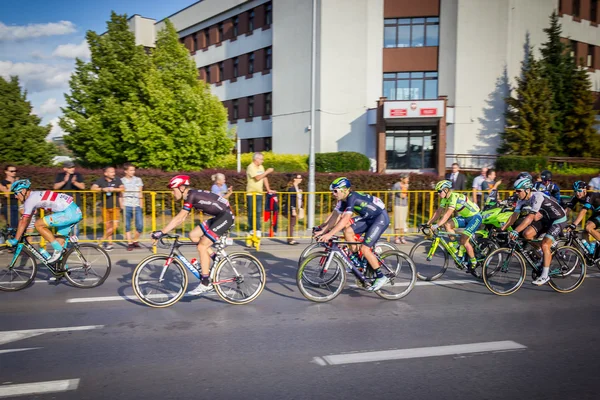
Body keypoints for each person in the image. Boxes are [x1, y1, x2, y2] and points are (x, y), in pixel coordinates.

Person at [151, 175, 235, 296]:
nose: (172, 193)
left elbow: (179, 218)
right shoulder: (190, 196)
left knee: (202, 247)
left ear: (181, 188)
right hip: (219, 217)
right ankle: (215, 257)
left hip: (225, 217)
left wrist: (161, 232)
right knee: (193, 235)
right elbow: (182, 218)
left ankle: (205, 282)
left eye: (173, 190)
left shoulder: (191, 196)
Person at [314, 177, 391, 292]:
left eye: (335, 191)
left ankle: (381, 276)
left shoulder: (352, 198)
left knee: (365, 249)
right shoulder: (342, 201)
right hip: (368, 218)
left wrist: (330, 234)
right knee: (347, 231)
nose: (333, 193)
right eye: (332, 191)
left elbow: (344, 219)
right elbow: (335, 216)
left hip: (379, 218)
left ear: (344, 190)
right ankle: (357, 261)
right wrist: (323, 231)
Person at [502, 177, 567, 286]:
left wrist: (515, 231)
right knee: (527, 234)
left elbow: (530, 218)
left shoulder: (537, 196)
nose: (516, 193)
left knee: (545, 244)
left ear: (527, 190)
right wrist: (503, 228)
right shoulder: (521, 200)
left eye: (518, 191)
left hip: (558, 219)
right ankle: (543, 255)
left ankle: (545, 276)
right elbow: (514, 216)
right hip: (545, 218)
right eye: (515, 191)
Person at [6, 179, 82, 263]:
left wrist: (16, 240)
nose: (15, 196)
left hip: (69, 213)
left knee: (38, 224)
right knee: (59, 243)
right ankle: (61, 272)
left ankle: (58, 250)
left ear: (23, 191)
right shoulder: (33, 196)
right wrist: (19, 232)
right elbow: (26, 219)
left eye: (16, 193)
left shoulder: (30, 200)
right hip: (72, 211)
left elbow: (24, 221)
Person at [427, 180, 482, 272]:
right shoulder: (445, 198)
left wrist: (436, 225)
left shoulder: (454, 197)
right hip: (466, 217)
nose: (438, 193)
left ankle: (474, 261)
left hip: (475, 217)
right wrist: (428, 223)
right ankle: (456, 247)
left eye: (439, 191)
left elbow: (447, 214)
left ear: (445, 190)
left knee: (464, 239)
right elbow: (438, 212)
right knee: (447, 225)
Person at [91, 167, 124, 251]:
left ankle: (101, 240)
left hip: (115, 206)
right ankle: (110, 244)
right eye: (111, 172)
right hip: (104, 206)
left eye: (114, 172)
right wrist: (102, 189)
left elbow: (123, 188)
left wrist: (114, 189)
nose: (113, 173)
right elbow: (92, 188)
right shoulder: (101, 180)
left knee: (115, 226)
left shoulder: (117, 180)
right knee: (107, 226)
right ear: (106, 173)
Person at [564, 181, 600, 256]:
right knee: (584, 232)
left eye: (579, 191)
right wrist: (560, 221)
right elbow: (568, 209)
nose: (577, 193)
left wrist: (574, 224)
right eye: (575, 191)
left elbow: (583, 211)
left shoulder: (590, 195)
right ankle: (591, 251)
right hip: (597, 213)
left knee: (588, 227)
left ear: (585, 190)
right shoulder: (576, 197)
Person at [246, 152, 275, 236]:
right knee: (251, 212)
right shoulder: (250, 167)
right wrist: (267, 171)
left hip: (259, 192)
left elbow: (264, 178)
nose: (262, 161)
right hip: (251, 193)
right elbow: (258, 177)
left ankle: (257, 229)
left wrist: (268, 189)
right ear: (256, 159)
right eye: (261, 159)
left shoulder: (261, 167)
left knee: (258, 212)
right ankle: (251, 228)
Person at [53, 161, 85, 235]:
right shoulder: (60, 175)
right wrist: (64, 181)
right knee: (62, 224)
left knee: (75, 224)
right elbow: (55, 187)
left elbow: (83, 187)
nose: (73, 169)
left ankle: (74, 243)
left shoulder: (77, 175)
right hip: (62, 204)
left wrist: (74, 182)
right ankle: (62, 243)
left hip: (74, 203)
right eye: (70, 167)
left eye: (73, 167)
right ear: (65, 168)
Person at [121, 163, 144, 251]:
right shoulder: (121, 180)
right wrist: (121, 204)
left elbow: (140, 192)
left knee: (140, 225)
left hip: (136, 204)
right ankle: (130, 242)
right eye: (130, 170)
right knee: (127, 225)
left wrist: (141, 204)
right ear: (126, 171)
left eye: (133, 170)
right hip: (126, 204)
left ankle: (135, 240)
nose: (132, 172)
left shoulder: (138, 180)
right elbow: (121, 193)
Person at [283, 173, 303, 245]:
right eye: (299, 177)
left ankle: (290, 238)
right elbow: (291, 200)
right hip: (292, 209)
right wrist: (293, 209)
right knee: (291, 223)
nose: (301, 179)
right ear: (295, 179)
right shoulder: (292, 188)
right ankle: (290, 239)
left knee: (292, 223)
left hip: (296, 208)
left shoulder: (297, 187)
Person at [392, 174, 409, 244]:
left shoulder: (407, 186)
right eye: (407, 178)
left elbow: (405, 195)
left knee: (403, 221)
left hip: (404, 205)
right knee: (397, 221)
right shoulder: (397, 185)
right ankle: (396, 237)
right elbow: (393, 193)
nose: (408, 180)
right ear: (402, 179)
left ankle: (402, 237)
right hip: (398, 204)